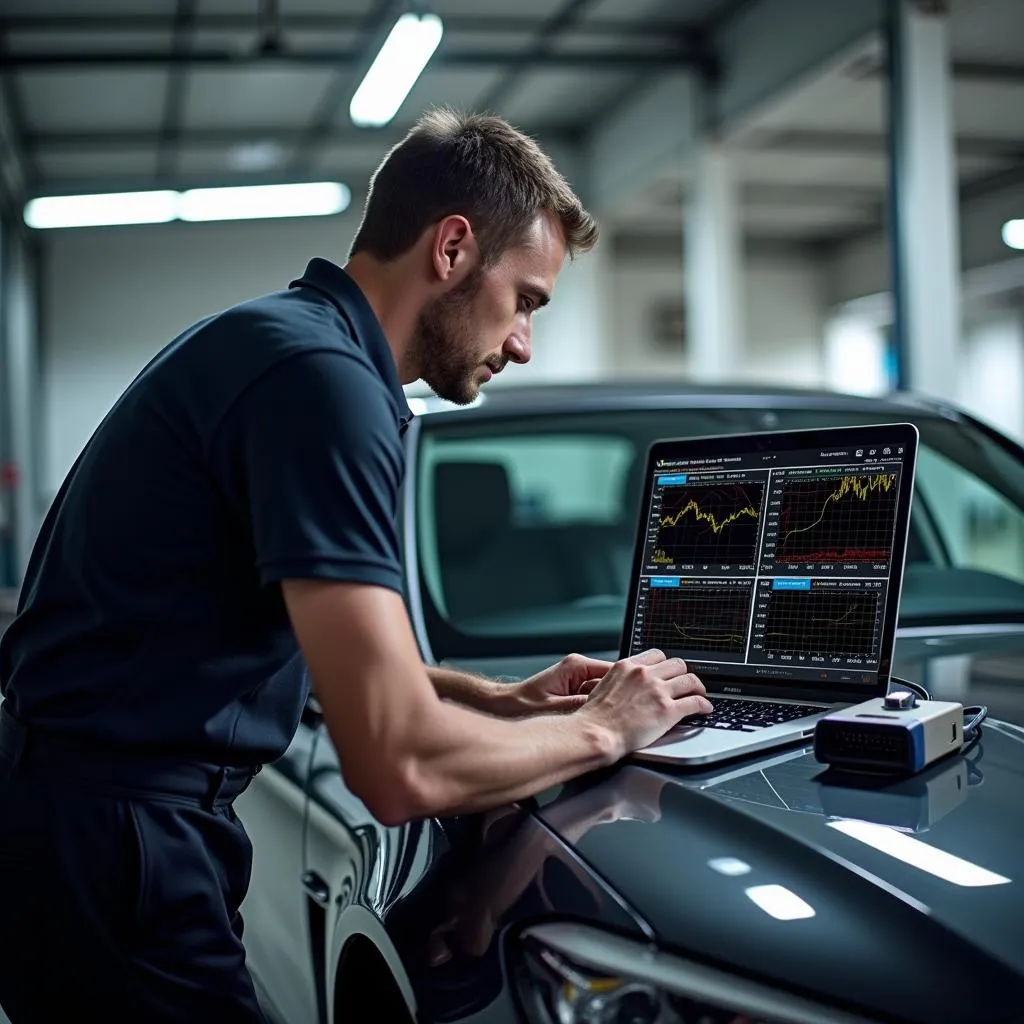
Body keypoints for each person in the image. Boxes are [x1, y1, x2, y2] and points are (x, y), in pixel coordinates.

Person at [0, 108, 711, 1022]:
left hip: (80, 822)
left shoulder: (286, 344)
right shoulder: (324, 386)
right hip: (118, 845)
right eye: (527, 299)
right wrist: (607, 730)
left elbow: (319, 662)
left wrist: (497, 701)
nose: (524, 342)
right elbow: (395, 767)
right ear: (452, 248)